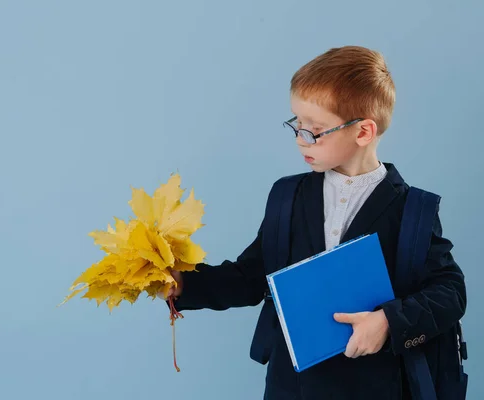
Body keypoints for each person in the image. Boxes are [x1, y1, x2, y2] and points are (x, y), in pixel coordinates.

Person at [160, 45, 466, 399]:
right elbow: (252, 277)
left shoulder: (413, 210)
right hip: (292, 386)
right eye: (297, 123)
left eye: (314, 130)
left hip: (376, 386)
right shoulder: (287, 196)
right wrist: (184, 284)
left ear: (363, 132)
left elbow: (450, 292)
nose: (299, 138)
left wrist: (387, 321)